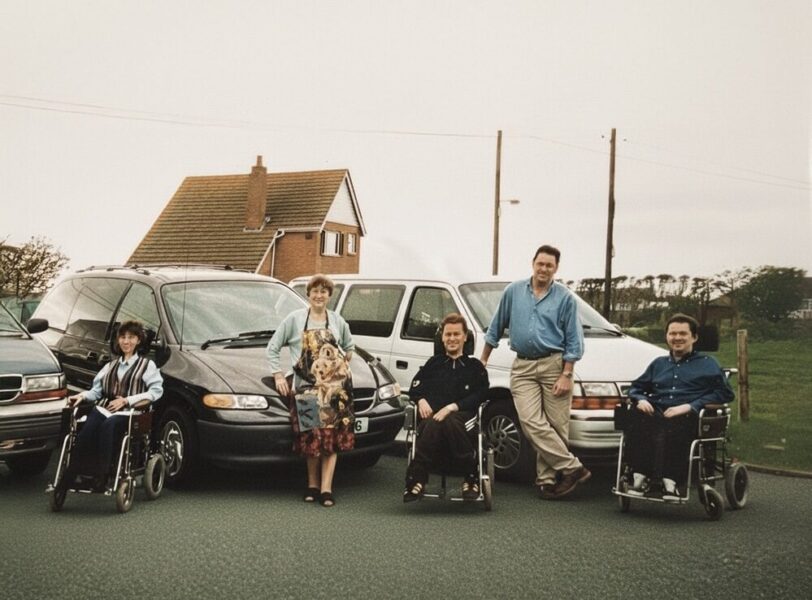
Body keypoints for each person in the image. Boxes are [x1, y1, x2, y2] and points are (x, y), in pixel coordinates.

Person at [481, 244, 589, 499]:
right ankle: (573, 468)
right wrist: (482, 360)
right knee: (530, 422)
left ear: (556, 268)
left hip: (554, 365)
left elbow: (574, 339)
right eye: (540, 263)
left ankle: (547, 480)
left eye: (549, 265)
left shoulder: (565, 298)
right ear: (533, 263)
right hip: (523, 367)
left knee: (556, 425)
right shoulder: (513, 291)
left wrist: (567, 373)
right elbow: (495, 328)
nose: (544, 269)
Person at [267, 274, 355, 507]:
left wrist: (343, 367)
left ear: (329, 296)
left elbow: (349, 347)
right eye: (315, 291)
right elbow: (273, 347)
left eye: (323, 292)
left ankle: (327, 489)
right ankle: (312, 486)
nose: (319, 295)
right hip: (305, 389)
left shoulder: (337, 321)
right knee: (312, 439)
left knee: (331, 439)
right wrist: (278, 375)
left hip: (334, 392)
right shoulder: (295, 319)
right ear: (308, 294)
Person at [625, 313, 734, 500]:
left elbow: (725, 393)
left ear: (694, 337)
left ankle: (671, 482)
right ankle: (639, 476)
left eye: (683, 334)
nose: (677, 338)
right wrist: (640, 399)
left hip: (687, 416)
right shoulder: (658, 364)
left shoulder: (708, 364)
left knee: (675, 424)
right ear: (666, 336)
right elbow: (636, 387)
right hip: (656, 412)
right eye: (672, 333)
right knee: (635, 417)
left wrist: (691, 406)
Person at [59, 320, 163, 491]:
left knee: (109, 426)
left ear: (138, 340)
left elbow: (156, 392)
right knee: (86, 428)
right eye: (122, 337)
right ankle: (72, 474)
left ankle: (103, 475)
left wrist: (127, 400)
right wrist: (82, 395)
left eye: (131, 337)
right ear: (118, 340)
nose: (126, 341)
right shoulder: (110, 366)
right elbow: (96, 392)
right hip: (105, 408)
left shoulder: (147, 365)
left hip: (130, 412)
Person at [403, 313, 490, 502]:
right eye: (448, 334)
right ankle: (417, 479)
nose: (452, 339)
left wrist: (452, 407)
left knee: (449, 421)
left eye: (456, 334)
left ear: (465, 336)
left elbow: (482, 394)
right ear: (442, 337)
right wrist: (421, 400)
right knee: (434, 423)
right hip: (434, 421)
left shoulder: (474, 366)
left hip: (463, 418)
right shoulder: (433, 364)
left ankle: (470, 477)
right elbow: (415, 388)